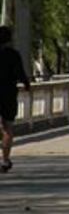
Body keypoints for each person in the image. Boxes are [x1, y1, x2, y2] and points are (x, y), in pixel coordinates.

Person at [0, 25, 30, 173]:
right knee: (7, 127)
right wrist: (27, 84)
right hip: (8, 94)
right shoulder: (13, 55)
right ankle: (5, 160)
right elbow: (21, 73)